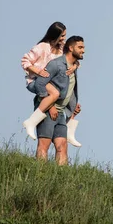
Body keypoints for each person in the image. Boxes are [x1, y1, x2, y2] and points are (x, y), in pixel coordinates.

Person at [21, 22, 80, 146]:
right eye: (62, 36)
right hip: (36, 81)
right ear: (55, 35)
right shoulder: (42, 47)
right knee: (55, 92)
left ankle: (70, 131)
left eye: (65, 35)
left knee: (70, 95)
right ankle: (31, 121)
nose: (64, 38)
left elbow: (72, 59)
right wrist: (38, 71)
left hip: (52, 83)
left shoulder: (61, 48)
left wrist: (74, 67)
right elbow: (25, 61)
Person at [33, 35, 85, 165]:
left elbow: (66, 88)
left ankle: (61, 177)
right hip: (47, 110)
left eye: (83, 47)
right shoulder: (55, 64)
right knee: (44, 144)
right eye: (80, 47)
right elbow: (39, 83)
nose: (83, 50)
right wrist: (50, 107)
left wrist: (72, 106)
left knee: (62, 146)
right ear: (70, 47)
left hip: (61, 112)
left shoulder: (73, 67)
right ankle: (40, 175)